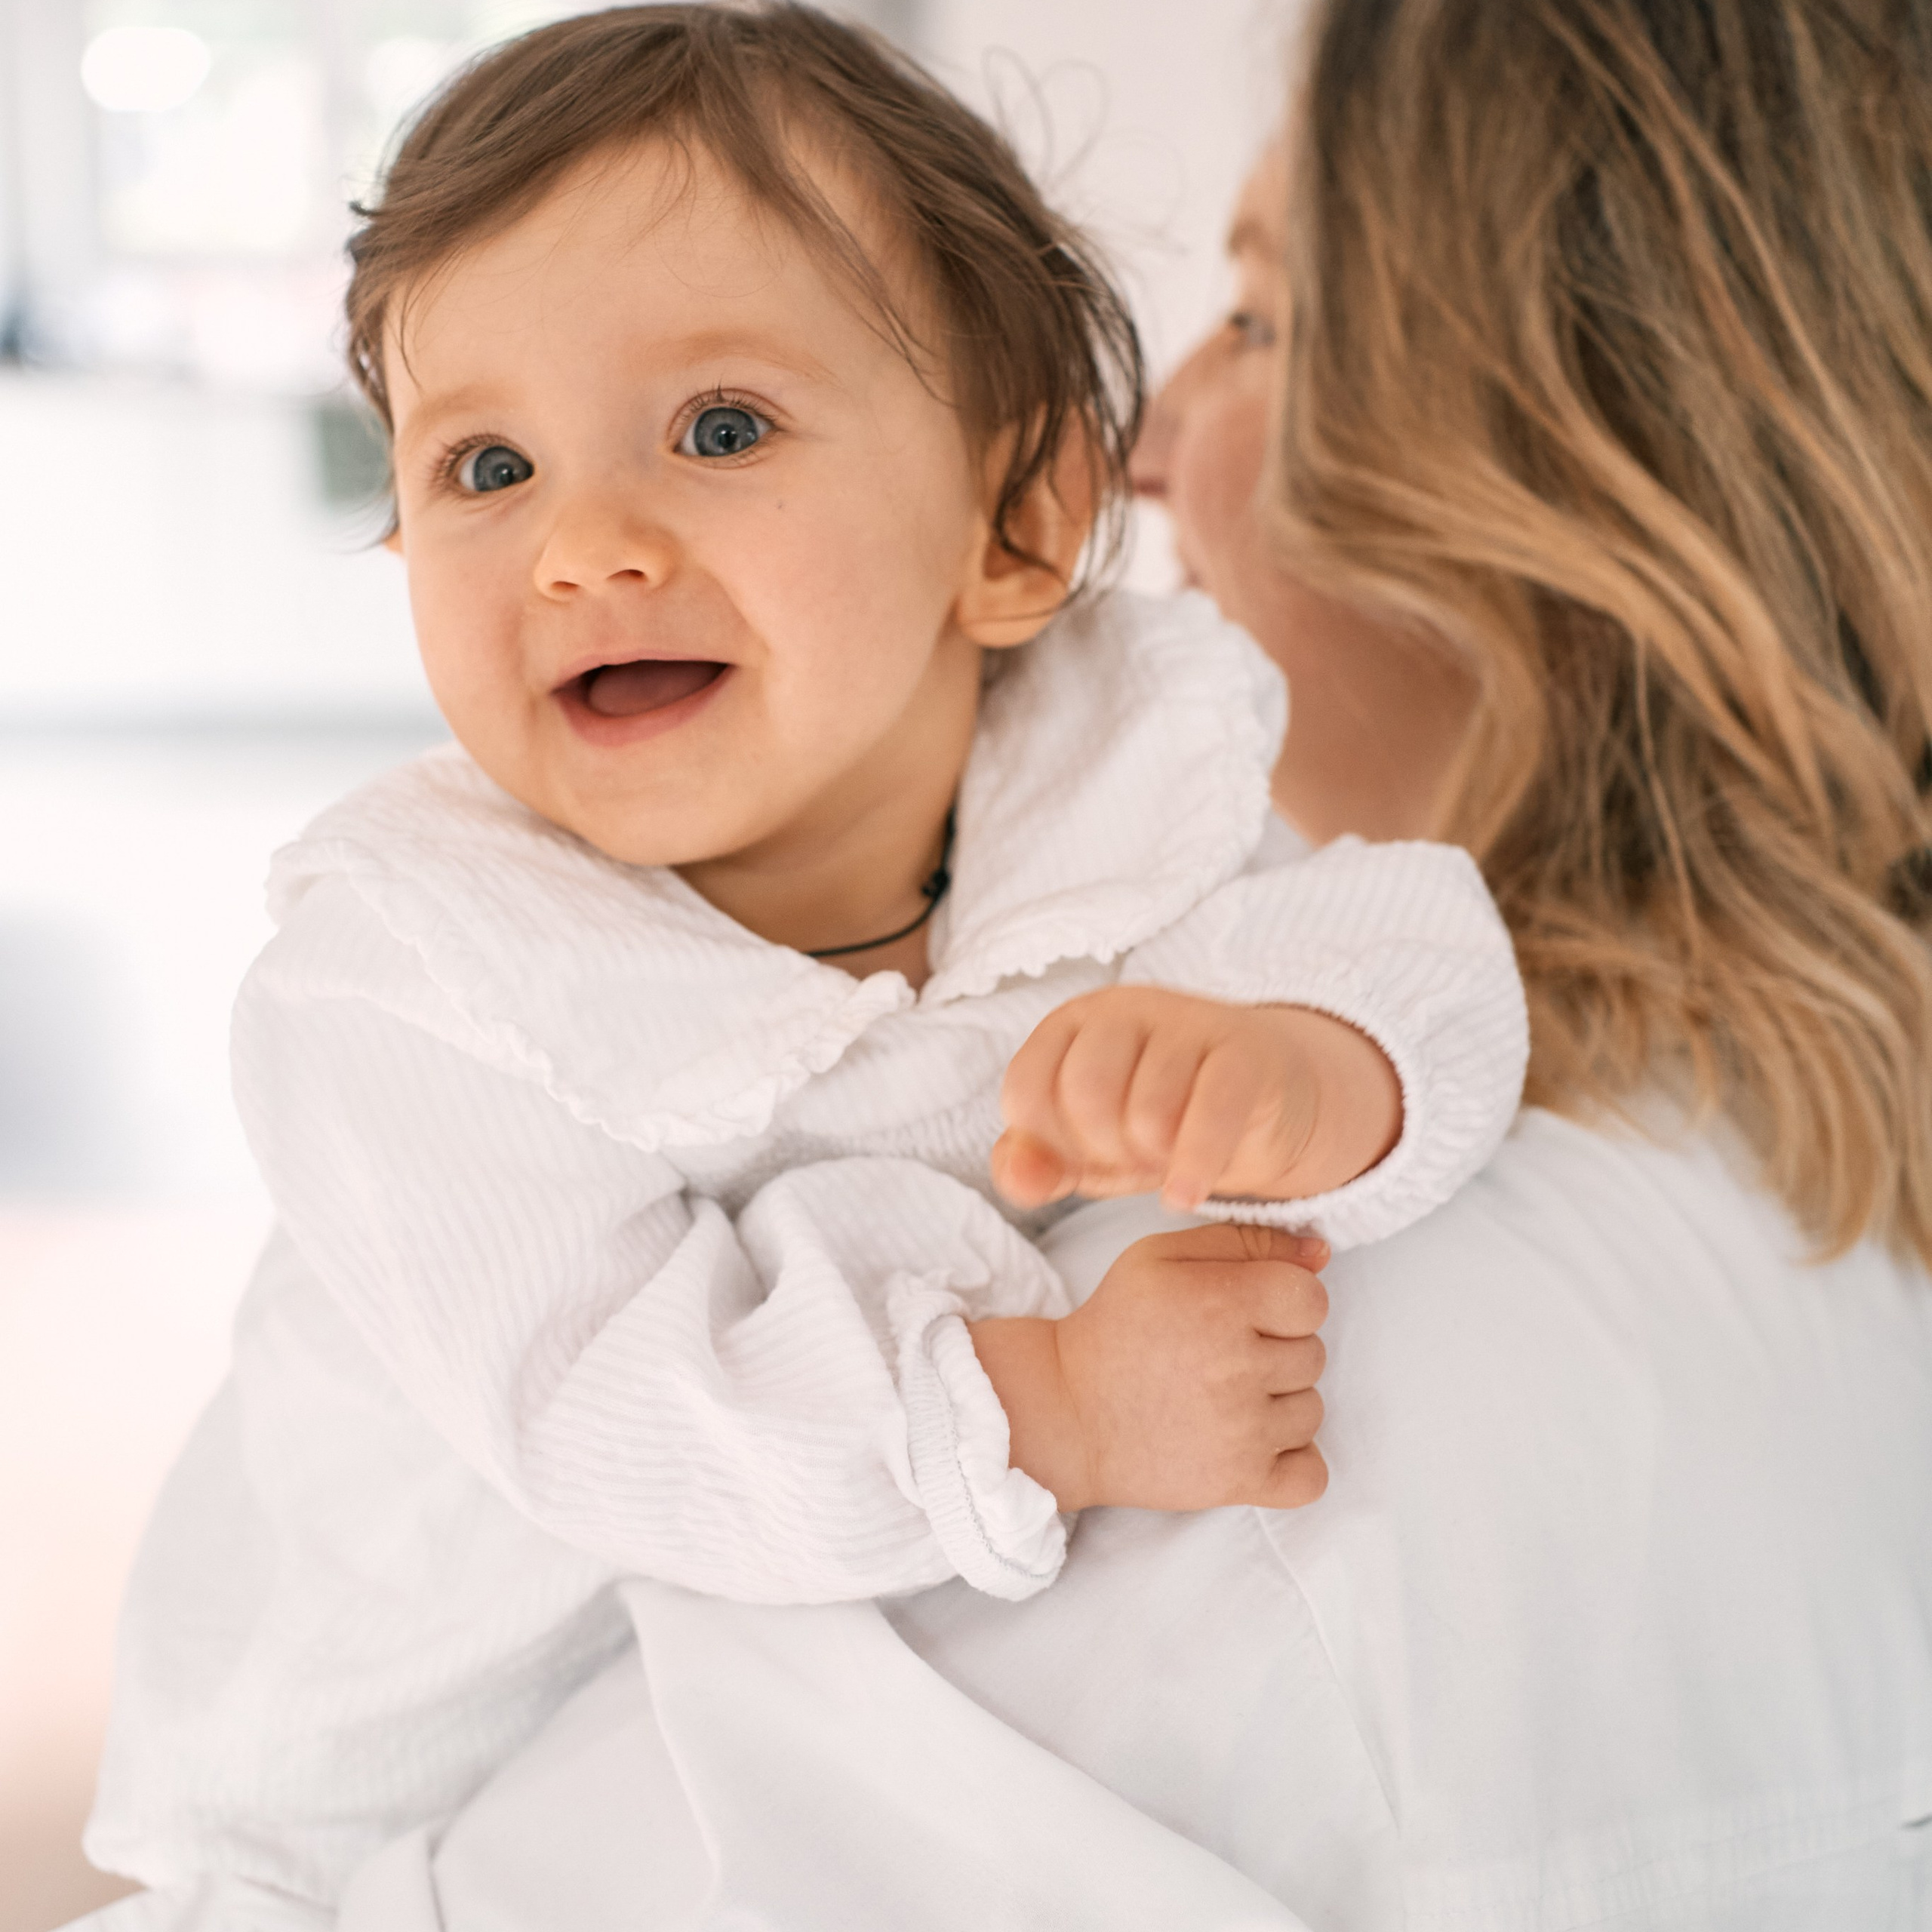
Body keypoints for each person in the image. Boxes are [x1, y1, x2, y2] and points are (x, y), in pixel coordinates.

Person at [189, 2, 1928, 1927]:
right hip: (357, 1772)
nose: (579, 546)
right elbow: (616, 1401)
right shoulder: (421, 972)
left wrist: (1312, 1062)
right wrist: (1039, 1409)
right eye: (485, 465)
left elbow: (1392, 942)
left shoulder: (1112, 796)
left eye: (721, 427)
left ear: (1016, 523)